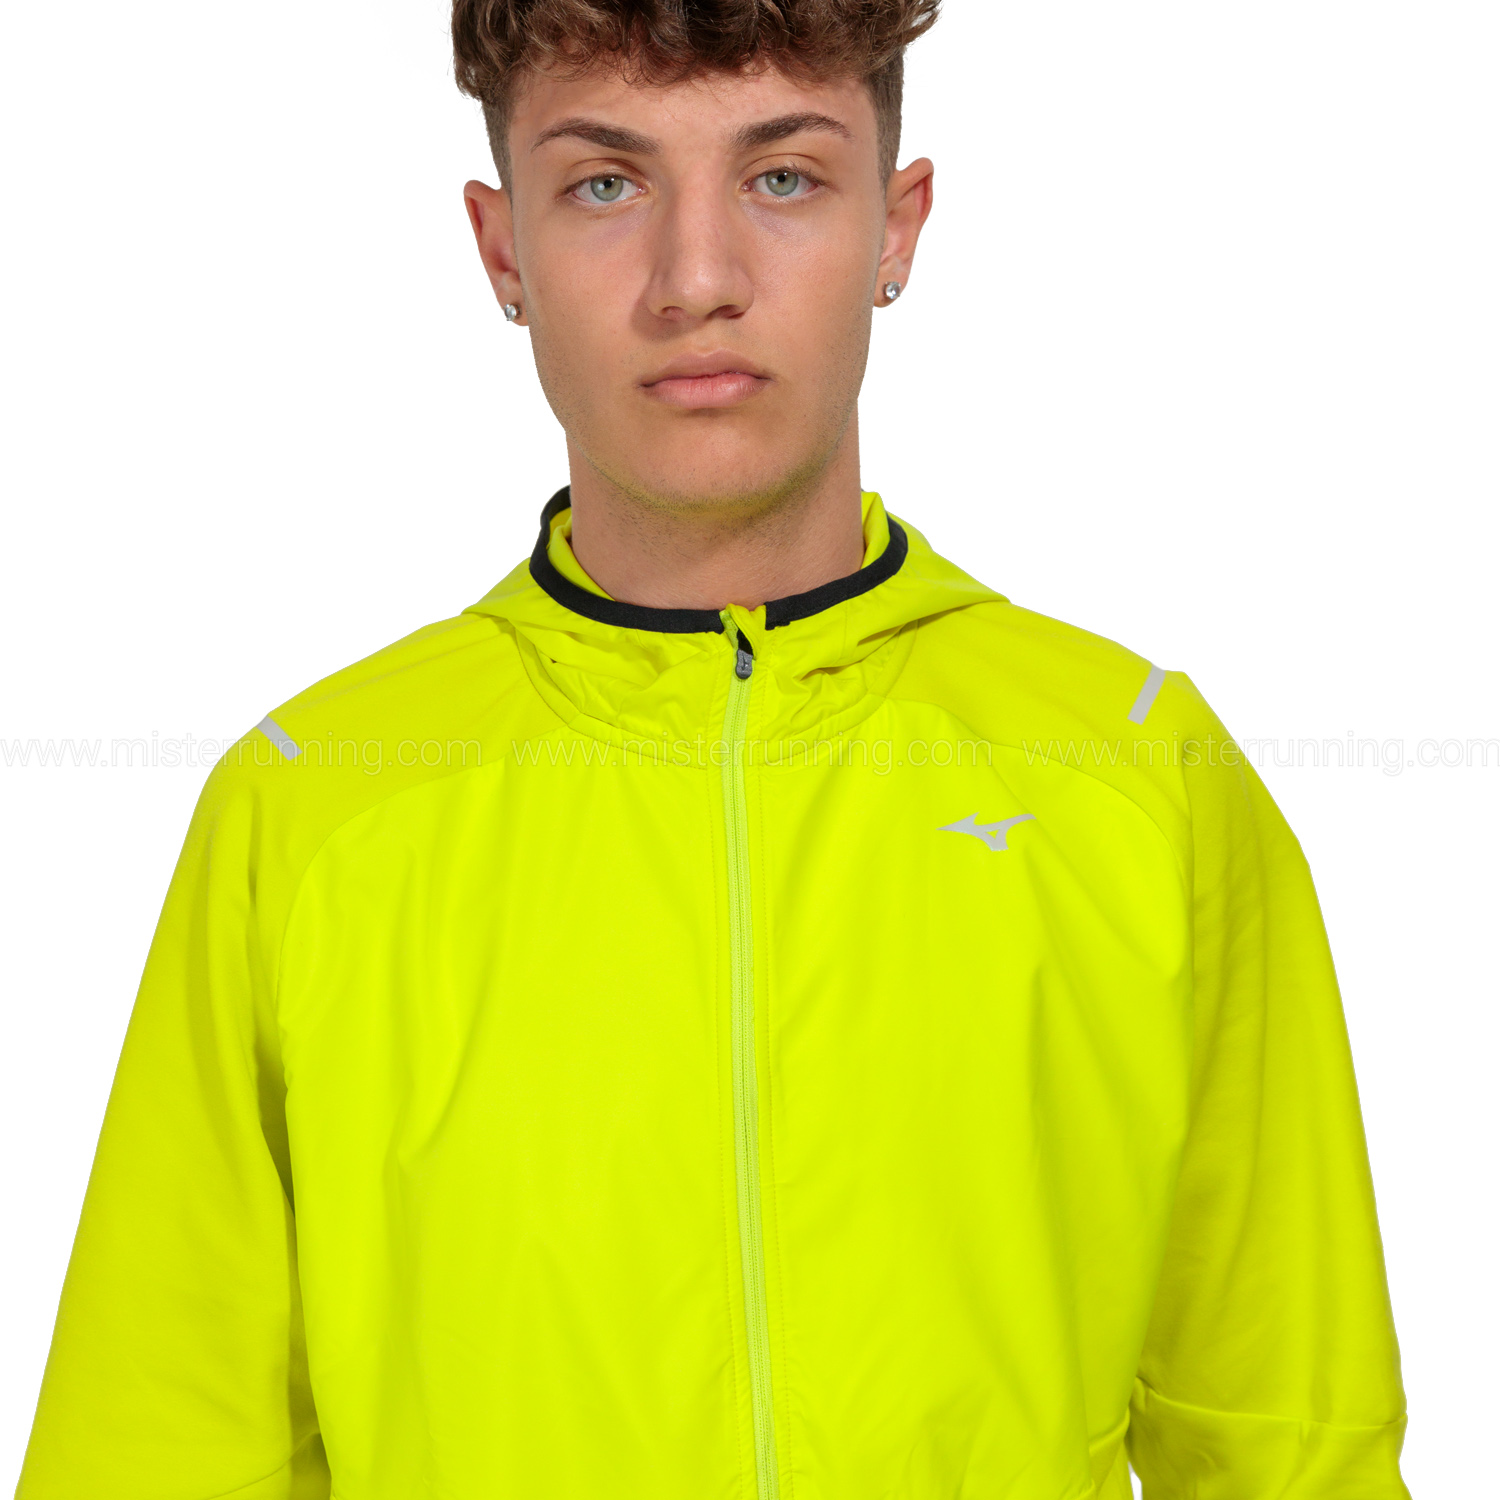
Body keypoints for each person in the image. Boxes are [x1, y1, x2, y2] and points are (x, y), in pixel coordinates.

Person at [14, 3, 1411, 1498]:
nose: (697, 279)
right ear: (502, 249)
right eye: (606, 184)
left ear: (897, 225)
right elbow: (150, 1459)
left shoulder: (1136, 774)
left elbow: (1291, 1446)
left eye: (782, 177)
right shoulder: (310, 808)